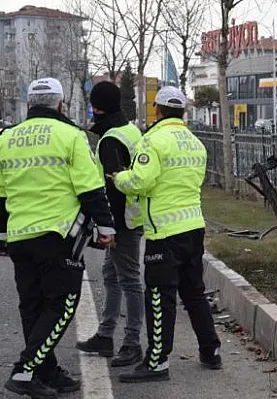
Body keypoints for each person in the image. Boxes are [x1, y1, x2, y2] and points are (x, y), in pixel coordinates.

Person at [0, 77, 115, 397]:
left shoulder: (7, 138)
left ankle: (46, 370)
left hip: (20, 235)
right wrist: (106, 227)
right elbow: (91, 188)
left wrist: (2, 234)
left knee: (33, 307)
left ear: (29, 105)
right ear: (61, 104)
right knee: (63, 303)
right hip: (57, 233)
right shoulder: (72, 136)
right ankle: (25, 371)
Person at [112, 86, 221, 383]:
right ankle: (211, 351)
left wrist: (119, 177)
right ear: (183, 112)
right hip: (193, 227)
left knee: (160, 297)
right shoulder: (196, 143)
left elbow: (140, 181)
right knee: (194, 292)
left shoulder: (152, 141)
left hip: (164, 232)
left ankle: (157, 361)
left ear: (157, 110)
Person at [75, 81, 145, 367]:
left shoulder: (110, 140)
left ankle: (132, 343)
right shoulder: (130, 130)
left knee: (129, 281)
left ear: (96, 106)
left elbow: (114, 187)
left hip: (123, 221)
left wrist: (109, 229)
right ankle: (105, 335)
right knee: (111, 276)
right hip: (134, 214)